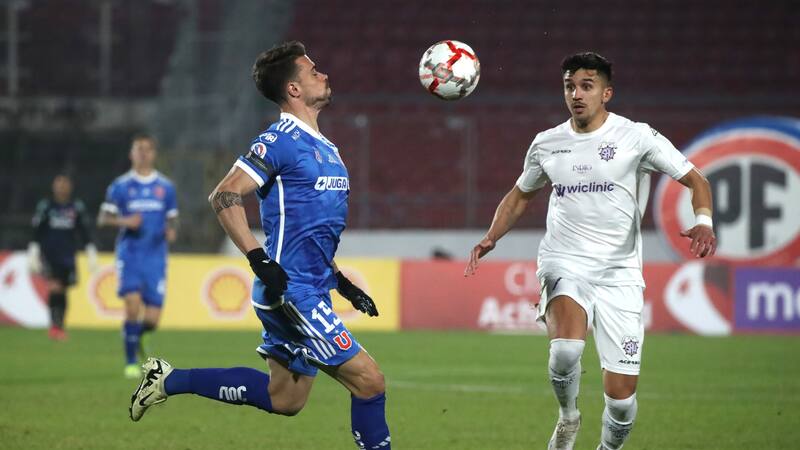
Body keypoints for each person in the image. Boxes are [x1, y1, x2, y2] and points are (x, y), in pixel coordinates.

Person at [128, 41, 391, 449]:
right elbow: (225, 195)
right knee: (370, 381)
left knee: (285, 399)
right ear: (294, 90)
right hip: (291, 290)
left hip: (311, 284)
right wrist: (257, 257)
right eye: (312, 70)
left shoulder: (326, 148)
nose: (322, 74)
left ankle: (168, 379)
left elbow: (310, 230)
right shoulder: (279, 140)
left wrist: (341, 282)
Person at [465, 52, 716, 450]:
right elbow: (519, 195)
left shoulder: (637, 137)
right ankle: (568, 418)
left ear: (606, 93)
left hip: (620, 274)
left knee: (622, 405)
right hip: (565, 261)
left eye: (587, 86)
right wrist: (491, 236)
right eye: (569, 86)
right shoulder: (547, 143)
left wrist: (704, 221)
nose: (576, 94)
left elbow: (697, 180)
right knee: (566, 350)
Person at [98, 135, 178, 378]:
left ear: (154, 154)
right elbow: (103, 218)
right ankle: (130, 362)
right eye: (139, 149)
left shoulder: (166, 187)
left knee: (152, 320)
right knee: (132, 307)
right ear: (131, 154)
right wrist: (124, 221)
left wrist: (171, 230)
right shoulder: (120, 186)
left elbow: (173, 217)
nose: (143, 153)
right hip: (130, 255)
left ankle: (137, 337)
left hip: (156, 257)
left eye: (148, 149)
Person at [28, 174, 98, 340]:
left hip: (67, 255)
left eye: (64, 184)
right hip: (49, 254)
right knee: (54, 287)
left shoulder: (76, 207)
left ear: (70, 187)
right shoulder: (46, 206)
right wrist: (33, 249)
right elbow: (37, 230)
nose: (61, 187)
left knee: (63, 289)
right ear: (53, 187)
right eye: (58, 184)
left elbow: (84, 230)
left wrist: (90, 249)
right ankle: (54, 325)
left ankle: (60, 324)